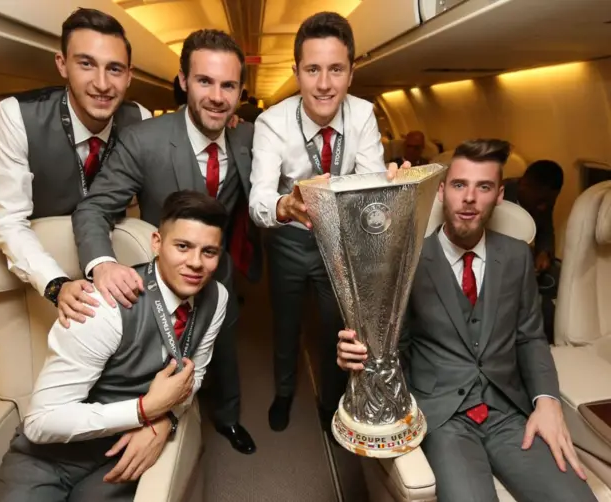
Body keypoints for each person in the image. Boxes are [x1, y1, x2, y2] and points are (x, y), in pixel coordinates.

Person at [336, 139, 595, 502]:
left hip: (509, 415)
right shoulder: (406, 261)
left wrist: (547, 400)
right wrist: (359, 357)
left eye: (483, 186)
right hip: (443, 420)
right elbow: (391, 348)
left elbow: (530, 338)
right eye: (459, 185)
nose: (469, 197)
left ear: (499, 195)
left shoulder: (518, 256)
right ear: (442, 191)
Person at [71, 29, 261, 454]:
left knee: (223, 350)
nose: (216, 96)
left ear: (241, 92)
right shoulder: (144, 141)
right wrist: (102, 262)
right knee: (160, 357)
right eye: (204, 81)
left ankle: (228, 419)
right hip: (162, 277)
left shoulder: (248, 139)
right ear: (182, 81)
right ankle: (155, 420)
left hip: (221, 269)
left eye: (228, 85)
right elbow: (93, 208)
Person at [0, 190, 228, 502]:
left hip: (121, 451)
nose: (196, 263)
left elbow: (194, 375)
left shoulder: (216, 297)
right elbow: (40, 422)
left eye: (209, 252)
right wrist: (145, 410)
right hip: (49, 457)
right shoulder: (102, 306)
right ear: (157, 242)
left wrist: (162, 422)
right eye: (183, 246)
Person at [248, 11, 403, 434]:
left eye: (336, 69)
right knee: (286, 322)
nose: (324, 84)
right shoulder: (272, 122)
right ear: (295, 72)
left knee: (338, 327)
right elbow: (258, 199)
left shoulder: (364, 115)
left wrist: (390, 191)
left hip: (342, 244)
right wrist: (286, 205)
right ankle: (283, 392)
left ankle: (332, 402)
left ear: (351, 73)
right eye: (313, 69)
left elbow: (372, 184)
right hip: (290, 240)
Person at [0, 8, 151, 327]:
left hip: (113, 263)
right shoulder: (16, 116)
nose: (102, 83)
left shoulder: (139, 119)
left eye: (114, 69)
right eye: (86, 64)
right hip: (40, 269)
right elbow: (7, 221)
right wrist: (55, 285)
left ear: (129, 75)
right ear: (62, 64)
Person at [504, 160, 564, 343]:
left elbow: (546, 230)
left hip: (526, 262)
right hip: (499, 266)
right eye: (541, 201)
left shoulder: (542, 202)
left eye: (549, 202)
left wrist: (544, 252)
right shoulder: (497, 197)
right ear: (524, 184)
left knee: (562, 277)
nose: (544, 208)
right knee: (542, 307)